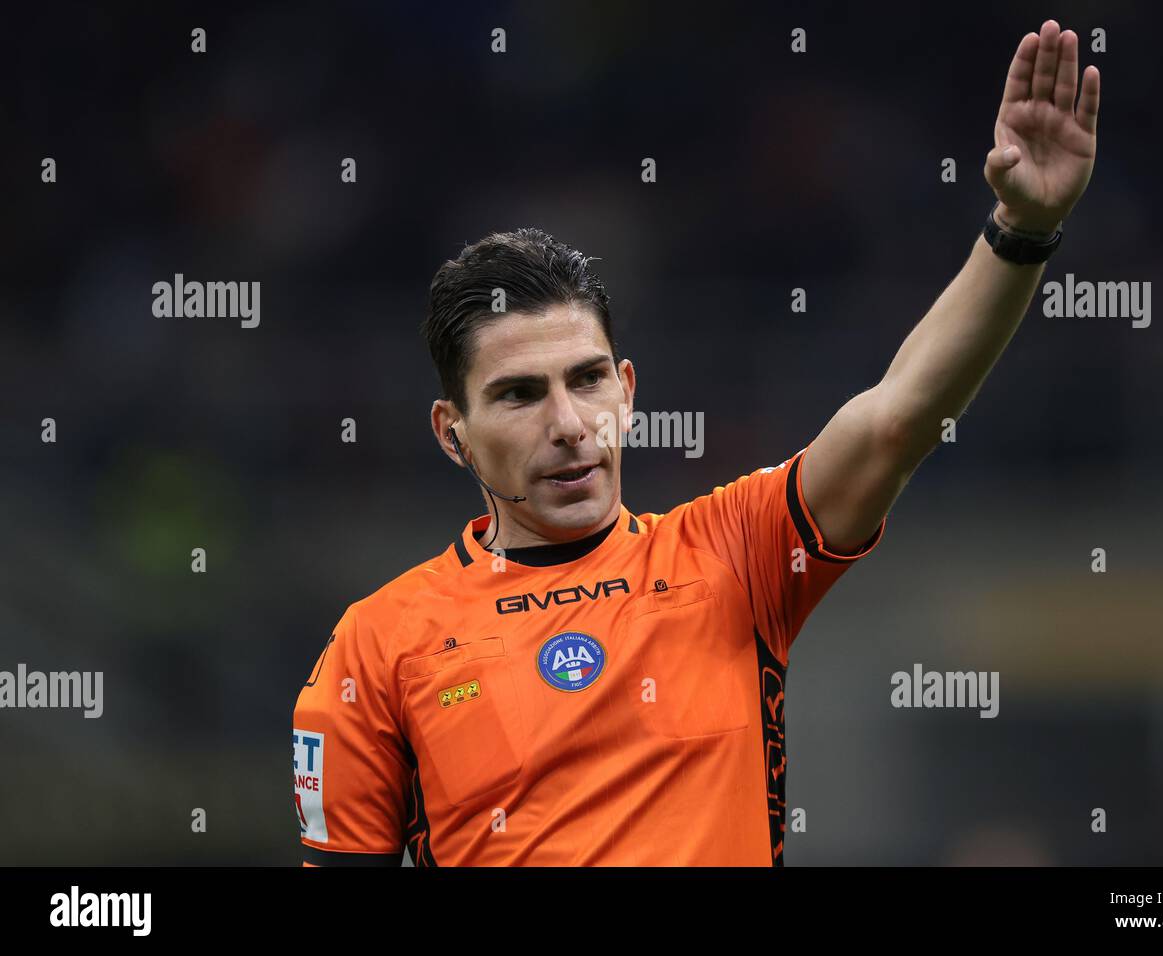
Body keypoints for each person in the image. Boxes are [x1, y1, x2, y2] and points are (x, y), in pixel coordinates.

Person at [292, 19, 1099, 866]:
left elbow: (896, 417)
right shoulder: (375, 647)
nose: (569, 423)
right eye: (520, 395)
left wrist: (1019, 229)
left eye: (588, 379)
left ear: (628, 393)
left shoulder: (732, 554)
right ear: (452, 435)